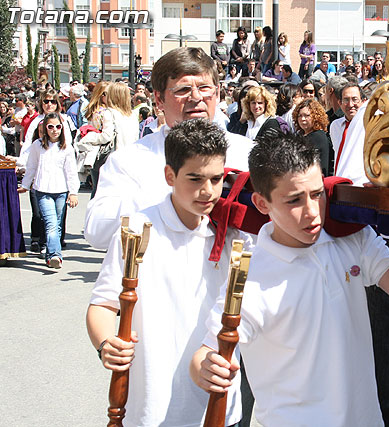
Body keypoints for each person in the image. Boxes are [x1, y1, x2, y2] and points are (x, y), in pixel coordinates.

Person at [190, 132, 389, 426]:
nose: (312, 212)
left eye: (317, 194)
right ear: (262, 204)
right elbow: (207, 352)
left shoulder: (352, 238)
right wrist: (204, 367)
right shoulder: (251, 278)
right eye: (294, 200)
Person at [86, 118, 251, 427]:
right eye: (195, 178)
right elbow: (103, 304)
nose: (207, 191)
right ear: (169, 175)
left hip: (219, 407)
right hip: (151, 406)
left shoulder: (234, 232)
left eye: (217, 179)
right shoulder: (137, 228)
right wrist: (107, 343)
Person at [84, 47, 255, 250]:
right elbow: (96, 233)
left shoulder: (248, 154)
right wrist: (172, 192)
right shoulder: (129, 161)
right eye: (182, 90)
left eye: (204, 88)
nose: (195, 97)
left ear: (217, 93)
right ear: (159, 99)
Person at [18, 112, 79, 269]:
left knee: (57, 224)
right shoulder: (37, 145)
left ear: (62, 128)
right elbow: (31, 167)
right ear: (45, 128)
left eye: (57, 127)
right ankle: (55, 256)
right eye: (50, 127)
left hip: (61, 191)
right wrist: (25, 185)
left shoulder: (67, 148)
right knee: (51, 223)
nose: (54, 130)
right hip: (42, 190)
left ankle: (52, 254)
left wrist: (73, 192)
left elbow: (71, 172)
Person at [329, 82, 368, 185]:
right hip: (338, 185)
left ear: (363, 101)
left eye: (355, 99)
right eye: (346, 100)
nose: (350, 105)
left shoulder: (368, 125)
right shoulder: (335, 126)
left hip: (359, 185)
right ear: (340, 103)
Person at [292, 98, 333, 176]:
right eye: (300, 116)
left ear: (316, 117)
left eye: (307, 115)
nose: (302, 119)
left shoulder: (318, 137)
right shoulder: (300, 135)